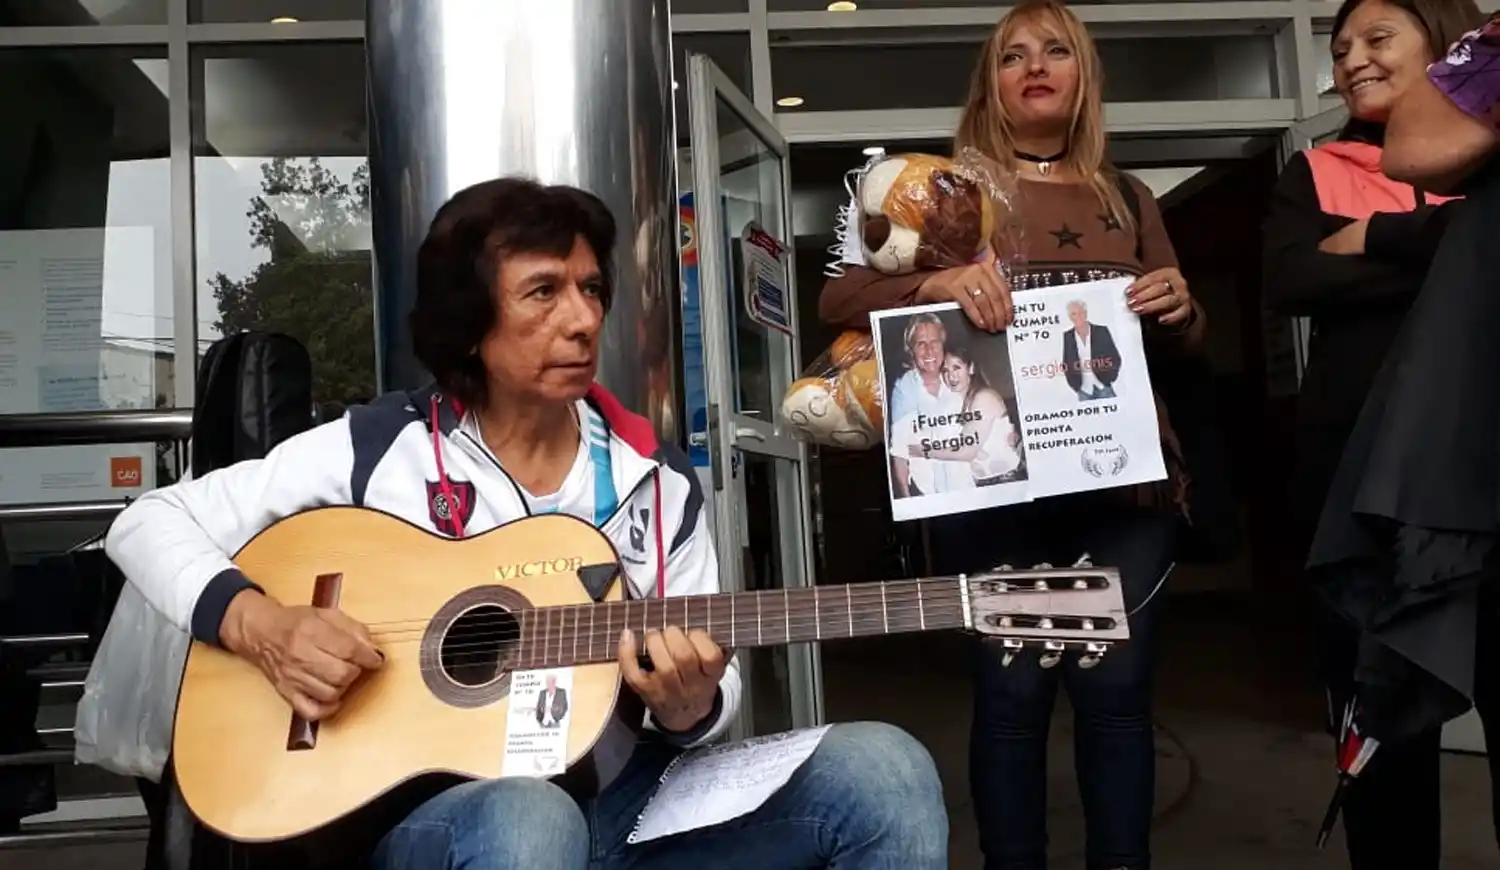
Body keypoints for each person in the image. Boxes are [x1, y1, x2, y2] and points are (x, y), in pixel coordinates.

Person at [105, 178, 947, 870]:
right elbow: (147, 521)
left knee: (885, 770)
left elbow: (711, 692)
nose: (582, 320)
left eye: (590, 290)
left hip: (629, 805)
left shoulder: (657, 483)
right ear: (469, 325)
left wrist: (690, 706)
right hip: (437, 821)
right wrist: (260, 624)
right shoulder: (376, 451)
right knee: (529, 822)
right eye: (543, 292)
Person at [820, 3, 1203, 867]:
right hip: (995, 486)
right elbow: (838, 301)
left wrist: (1181, 305)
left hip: (1123, 485)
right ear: (988, 81)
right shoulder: (941, 191)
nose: (1035, 66)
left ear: (1084, 75)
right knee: (1010, 698)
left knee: (1115, 694)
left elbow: (1184, 333)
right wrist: (938, 283)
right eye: (1012, 55)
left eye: (1056, 51)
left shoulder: (1128, 195)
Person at [1260, 1, 1483, 866]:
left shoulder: (1484, 154)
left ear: (1448, 44)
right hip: (1361, 488)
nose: (1351, 58)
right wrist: (1445, 258)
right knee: (1383, 730)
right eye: (1340, 46)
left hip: (1479, 475)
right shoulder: (1314, 170)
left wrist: (1379, 236)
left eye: (1376, 39)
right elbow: (1291, 279)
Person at [908, 347, 1025, 486]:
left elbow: (966, 451)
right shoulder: (960, 402)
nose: (951, 376)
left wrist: (919, 450)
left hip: (1007, 481)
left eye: (956, 368)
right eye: (945, 371)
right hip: (986, 483)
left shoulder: (983, 397)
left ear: (971, 368)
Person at [887, 312, 966, 497]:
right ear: (911, 349)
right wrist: (908, 501)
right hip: (927, 493)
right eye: (921, 343)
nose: (929, 350)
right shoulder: (904, 388)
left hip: (969, 487)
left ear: (943, 343)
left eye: (935, 342)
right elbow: (899, 452)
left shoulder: (957, 374)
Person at [1060, 299, 1121, 402]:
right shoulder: (1067, 336)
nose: (1078, 317)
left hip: (1103, 386)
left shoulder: (1101, 331)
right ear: (1070, 317)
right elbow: (1066, 362)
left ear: (1086, 313)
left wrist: (1110, 377)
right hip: (1084, 391)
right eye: (1074, 314)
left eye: (1081, 312)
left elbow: (1115, 357)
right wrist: (1074, 385)